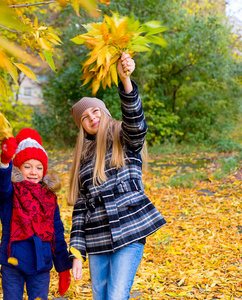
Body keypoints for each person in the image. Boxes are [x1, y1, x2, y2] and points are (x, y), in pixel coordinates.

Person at [68, 53, 166, 300]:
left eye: (95, 111)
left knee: (116, 296)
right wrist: (77, 253)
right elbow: (80, 209)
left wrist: (126, 81)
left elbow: (136, 122)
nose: (92, 118)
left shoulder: (125, 137)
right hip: (97, 237)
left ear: (103, 111)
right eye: (85, 118)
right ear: (82, 126)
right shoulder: (83, 158)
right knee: (100, 297)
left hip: (129, 230)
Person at [0, 128, 72, 300]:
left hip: (40, 263)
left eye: (39, 167)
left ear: (44, 171)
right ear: (19, 169)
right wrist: (4, 163)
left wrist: (63, 267)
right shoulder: (10, 192)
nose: (33, 172)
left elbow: (56, 233)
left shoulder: (49, 197)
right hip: (13, 262)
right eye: (27, 167)